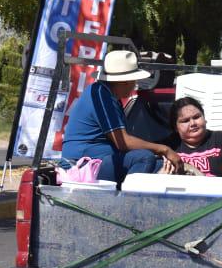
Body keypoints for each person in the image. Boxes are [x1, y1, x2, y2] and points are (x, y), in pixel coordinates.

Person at [60, 49, 182, 183]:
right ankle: (127, 201)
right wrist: (164, 149)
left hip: (99, 161)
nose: (135, 85)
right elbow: (123, 142)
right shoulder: (100, 95)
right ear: (125, 81)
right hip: (81, 165)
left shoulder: (107, 94)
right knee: (144, 158)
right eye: (134, 80)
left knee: (162, 165)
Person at [168, 96, 222, 191]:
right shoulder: (170, 146)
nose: (193, 123)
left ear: (204, 118)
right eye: (185, 121)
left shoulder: (221, 139)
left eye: (196, 117)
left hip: (217, 197)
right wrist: (164, 150)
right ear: (175, 127)